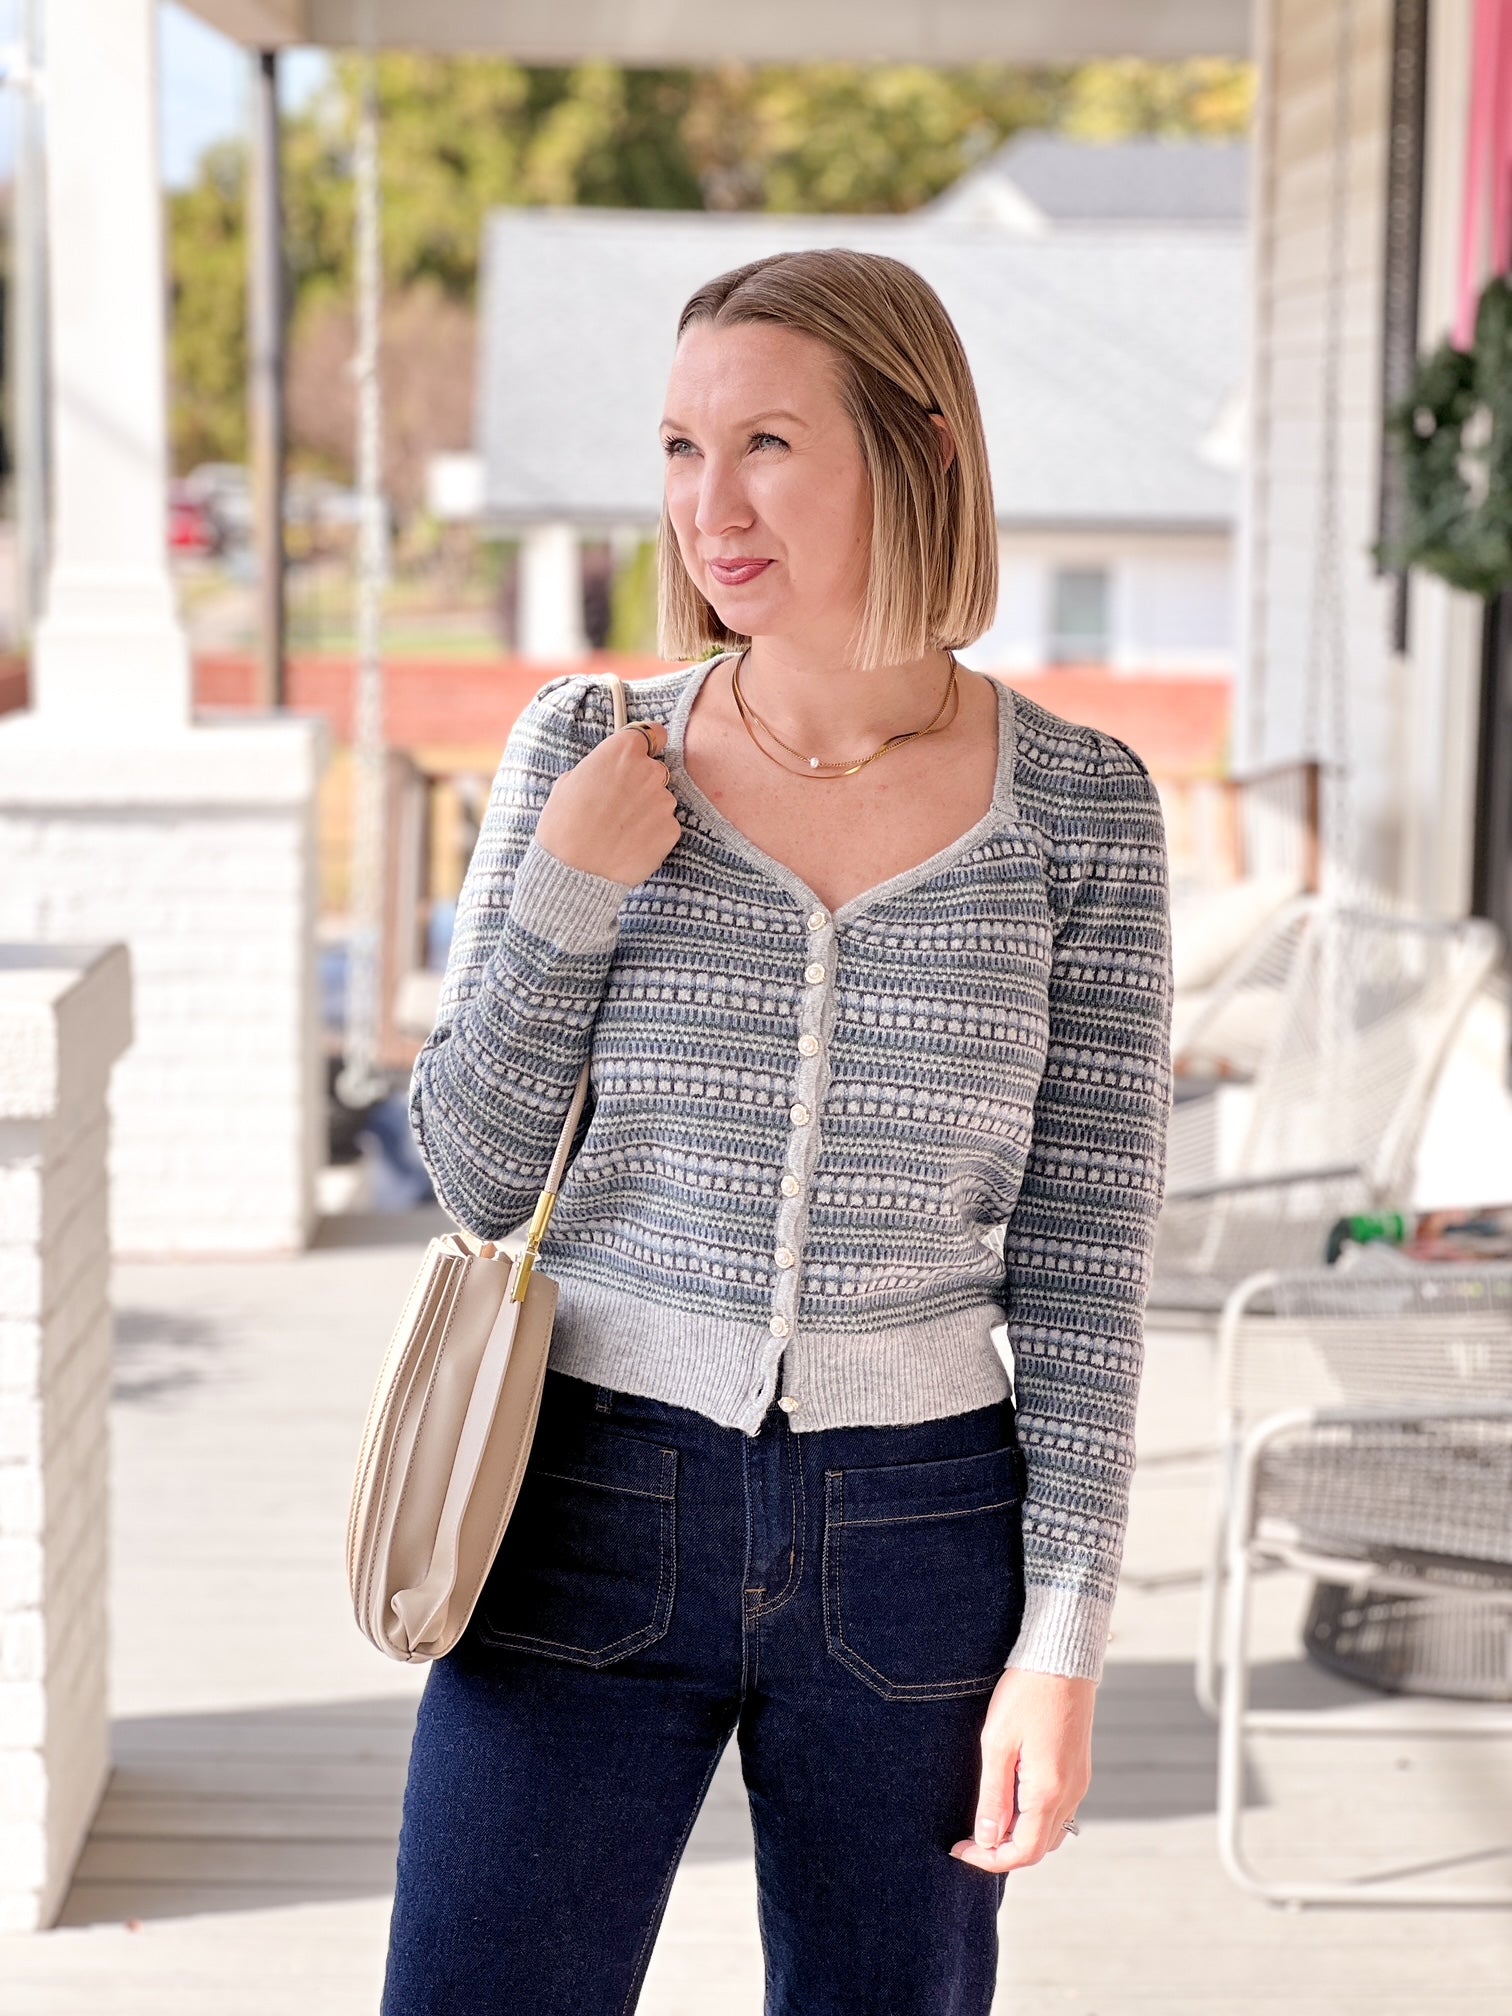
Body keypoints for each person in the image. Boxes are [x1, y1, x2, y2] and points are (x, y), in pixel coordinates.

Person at [381, 246, 1173, 2015]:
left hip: (920, 1531)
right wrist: (569, 897)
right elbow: (476, 1171)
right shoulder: (588, 748)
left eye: (767, 445)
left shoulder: (1082, 810)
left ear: (913, 450)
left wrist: (1065, 1640)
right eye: (678, 446)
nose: (706, 506)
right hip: (584, 1492)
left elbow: (1085, 1264)